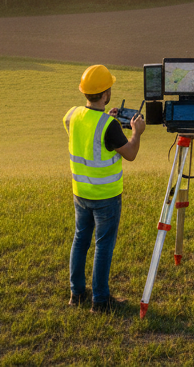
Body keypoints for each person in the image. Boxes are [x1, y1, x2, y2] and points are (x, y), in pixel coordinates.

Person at [64, 63, 145, 312]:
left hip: (81, 193)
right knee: (103, 245)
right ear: (106, 93)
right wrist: (137, 132)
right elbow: (129, 153)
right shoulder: (109, 126)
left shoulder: (73, 115)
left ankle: (76, 294)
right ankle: (100, 301)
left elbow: (86, 132)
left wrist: (104, 118)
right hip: (106, 197)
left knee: (80, 241)